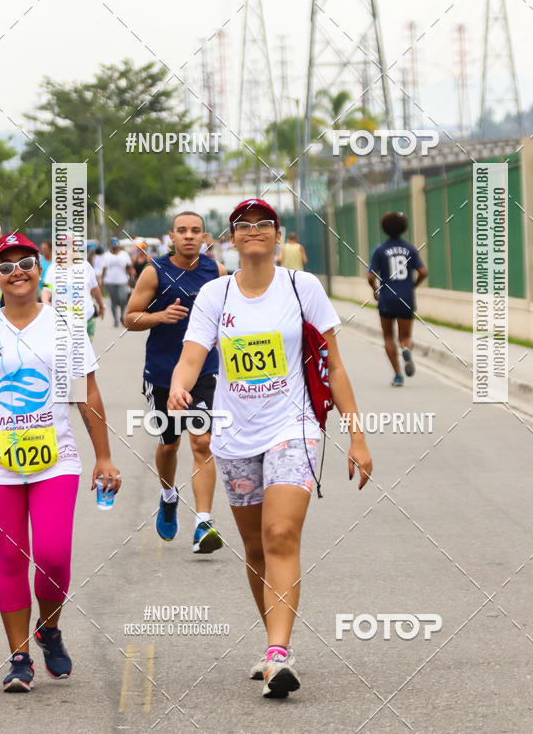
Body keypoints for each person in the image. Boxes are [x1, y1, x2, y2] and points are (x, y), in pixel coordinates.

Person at [168, 198, 372, 698]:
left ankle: (280, 653)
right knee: (256, 546)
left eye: (264, 224)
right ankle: (271, 643)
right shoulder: (215, 296)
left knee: (280, 533)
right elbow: (192, 355)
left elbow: (335, 365)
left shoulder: (304, 288)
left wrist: (356, 434)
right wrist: (179, 386)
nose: (254, 231)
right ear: (232, 238)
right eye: (244, 226)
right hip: (235, 435)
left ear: (277, 236)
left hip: (294, 426)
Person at [0, 232, 121, 692]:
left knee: (54, 556)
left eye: (25, 263)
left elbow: (88, 393)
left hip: (54, 461)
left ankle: (50, 628)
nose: (16, 272)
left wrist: (103, 455)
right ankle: (20, 658)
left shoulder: (63, 327)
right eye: (6, 266)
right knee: (10, 558)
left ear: (39, 269)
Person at [124, 212, 227, 551]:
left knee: (202, 442)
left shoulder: (217, 272)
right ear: (171, 235)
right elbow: (130, 317)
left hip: (203, 371)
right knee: (170, 445)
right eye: (182, 231)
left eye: (195, 231)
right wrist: (160, 316)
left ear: (204, 236)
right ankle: (168, 495)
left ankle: (203, 524)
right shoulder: (155, 271)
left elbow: (230, 315)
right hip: (163, 372)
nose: (188, 236)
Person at [367, 211, 428, 386]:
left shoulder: (380, 250)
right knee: (405, 336)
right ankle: (406, 348)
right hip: (406, 298)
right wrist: (413, 286)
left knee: (388, 337)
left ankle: (397, 375)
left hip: (386, 298)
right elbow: (423, 272)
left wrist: (375, 290)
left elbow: (370, 276)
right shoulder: (410, 249)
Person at [41, 248, 105, 342]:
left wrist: (101, 306)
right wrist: (45, 300)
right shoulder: (53, 269)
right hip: (62, 322)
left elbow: (94, 288)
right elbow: (47, 289)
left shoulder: (85, 266)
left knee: (84, 353)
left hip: (86, 319)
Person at [100, 237, 133, 327]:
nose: (115, 248)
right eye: (113, 246)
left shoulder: (124, 255)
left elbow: (129, 267)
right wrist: (101, 282)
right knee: (114, 301)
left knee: (123, 300)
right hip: (110, 282)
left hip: (122, 281)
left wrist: (131, 278)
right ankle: (115, 319)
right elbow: (104, 269)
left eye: (116, 246)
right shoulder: (106, 255)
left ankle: (122, 316)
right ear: (111, 246)